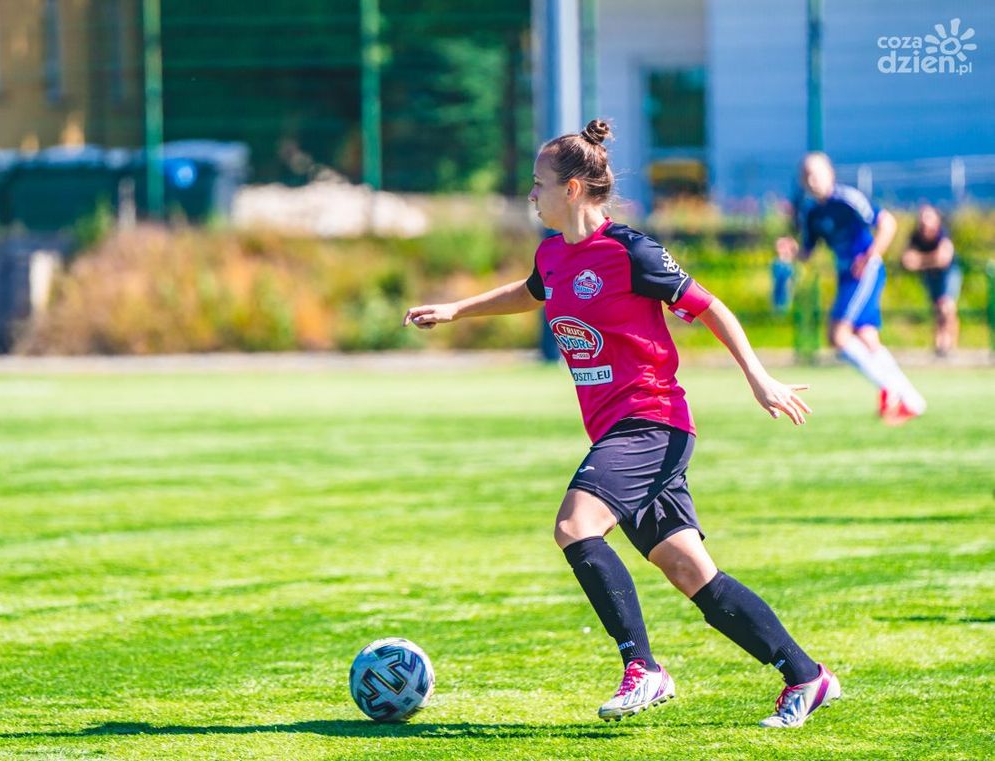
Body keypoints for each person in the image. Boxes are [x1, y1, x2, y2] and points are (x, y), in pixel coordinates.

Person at [403, 120, 840, 729]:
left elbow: (711, 306)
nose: (532, 195)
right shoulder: (553, 253)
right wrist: (456, 310)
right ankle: (807, 676)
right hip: (616, 432)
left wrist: (758, 377)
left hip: (653, 422)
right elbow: (532, 291)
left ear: (575, 188)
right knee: (692, 573)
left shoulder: (630, 251)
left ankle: (644, 669)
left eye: (539, 184)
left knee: (575, 525)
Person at [776, 153, 926, 425]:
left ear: (830, 173)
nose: (812, 180)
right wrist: (792, 250)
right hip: (846, 275)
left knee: (838, 335)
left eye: (817, 173)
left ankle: (891, 390)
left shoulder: (847, 198)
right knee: (867, 338)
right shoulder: (813, 212)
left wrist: (870, 257)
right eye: (807, 175)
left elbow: (887, 223)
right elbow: (808, 253)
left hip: (865, 272)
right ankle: (912, 400)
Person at [901, 204, 961, 356]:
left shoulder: (942, 234)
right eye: (922, 218)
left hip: (949, 273)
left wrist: (920, 261)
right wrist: (931, 260)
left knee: (947, 307)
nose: (925, 222)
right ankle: (939, 346)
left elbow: (944, 259)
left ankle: (949, 346)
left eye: (928, 217)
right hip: (931, 275)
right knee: (937, 309)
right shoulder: (916, 236)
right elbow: (907, 261)